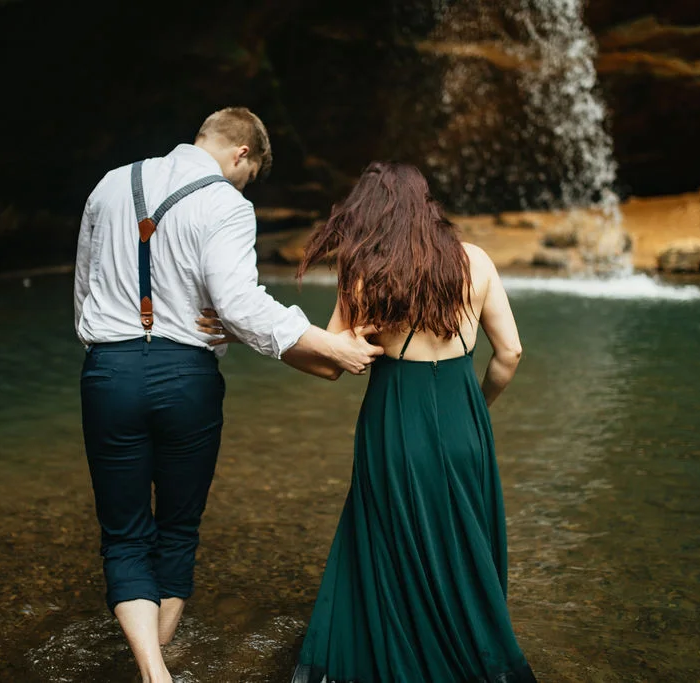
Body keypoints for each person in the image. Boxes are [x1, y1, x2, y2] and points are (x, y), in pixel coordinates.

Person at [74, 107, 383, 683]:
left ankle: (151, 669)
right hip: (186, 377)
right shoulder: (226, 203)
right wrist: (327, 346)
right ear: (243, 153)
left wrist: (107, 352)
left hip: (108, 372)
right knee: (178, 527)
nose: (246, 185)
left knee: (122, 531)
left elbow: (86, 287)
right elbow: (239, 305)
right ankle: (157, 667)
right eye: (252, 174)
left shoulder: (111, 183)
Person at [204, 161, 533, 682]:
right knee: (462, 545)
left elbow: (333, 361)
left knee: (389, 542)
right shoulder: (477, 262)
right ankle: (479, 656)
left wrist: (242, 330)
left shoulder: (367, 273)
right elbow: (509, 354)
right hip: (464, 421)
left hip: (394, 425)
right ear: (427, 206)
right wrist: (476, 413)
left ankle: (398, 659)